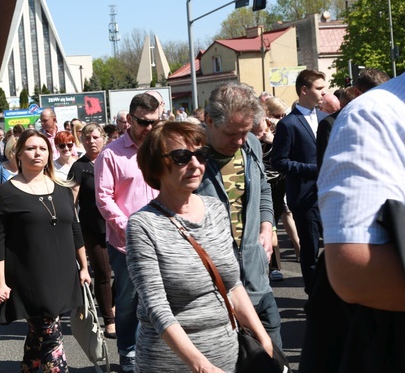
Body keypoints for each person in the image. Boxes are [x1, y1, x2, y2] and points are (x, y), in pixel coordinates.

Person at [127, 121, 274, 372]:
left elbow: (233, 285)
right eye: (182, 157)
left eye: (200, 155)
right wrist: (201, 365)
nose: (196, 164)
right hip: (171, 363)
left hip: (229, 356)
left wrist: (262, 334)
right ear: (155, 166)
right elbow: (157, 308)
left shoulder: (216, 209)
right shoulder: (143, 225)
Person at [306, 74, 405, 372]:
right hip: (317, 201)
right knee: (309, 254)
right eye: (319, 89)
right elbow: (354, 270)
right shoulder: (369, 116)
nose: (325, 96)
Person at [0, 129, 91, 373]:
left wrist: (84, 267)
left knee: (38, 337)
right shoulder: (6, 193)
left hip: (63, 273)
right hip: (29, 277)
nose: (37, 153)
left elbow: (74, 228)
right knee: (51, 336)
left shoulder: (63, 187)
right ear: (18, 154)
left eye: (43, 148)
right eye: (31, 148)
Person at [196, 83, 283, 347]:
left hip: (257, 280)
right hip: (214, 291)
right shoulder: (188, 158)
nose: (240, 141)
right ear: (209, 121)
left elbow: (264, 189)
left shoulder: (252, 145)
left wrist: (266, 228)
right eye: (231, 134)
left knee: (274, 358)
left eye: (245, 132)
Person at [94, 92, 161, 372]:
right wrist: (130, 227)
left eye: (155, 122)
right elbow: (103, 198)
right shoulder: (111, 153)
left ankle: (158, 349)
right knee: (128, 300)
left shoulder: (163, 147)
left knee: (161, 297)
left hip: (163, 236)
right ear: (130, 120)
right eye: (144, 122)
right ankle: (128, 351)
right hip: (126, 242)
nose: (149, 128)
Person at [271, 68, 327, 293]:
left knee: (335, 246)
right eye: (319, 88)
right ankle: (313, 296)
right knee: (310, 249)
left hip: (329, 193)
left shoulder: (325, 118)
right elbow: (279, 161)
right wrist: (314, 170)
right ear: (304, 90)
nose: (325, 92)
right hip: (304, 197)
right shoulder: (289, 124)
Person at [68, 122, 115, 338]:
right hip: (92, 228)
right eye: (87, 138)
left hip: (117, 225)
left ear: (103, 137)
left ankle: (113, 305)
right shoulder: (79, 167)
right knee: (103, 272)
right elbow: (72, 201)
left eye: (95, 137)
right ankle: (109, 319)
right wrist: (71, 227)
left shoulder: (112, 159)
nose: (92, 141)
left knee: (123, 272)